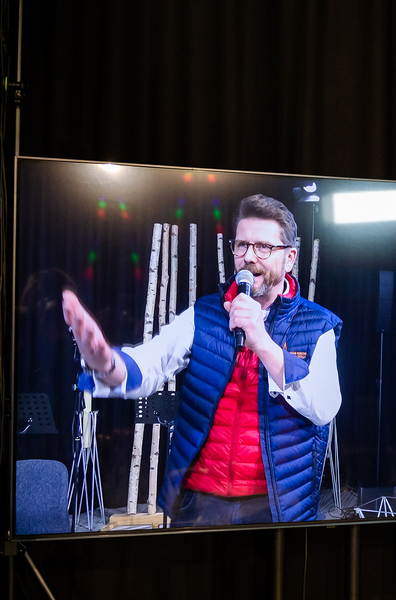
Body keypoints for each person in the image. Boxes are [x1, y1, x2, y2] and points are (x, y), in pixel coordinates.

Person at [62, 194, 341, 526]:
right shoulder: (206, 314)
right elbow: (150, 365)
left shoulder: (317, 324)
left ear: (290, 257)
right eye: (242, 245)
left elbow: (324, 407)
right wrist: (106, 361)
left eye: (264, 247)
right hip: (200, 505)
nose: (249, 257)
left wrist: (262, 342)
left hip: (278, 506)